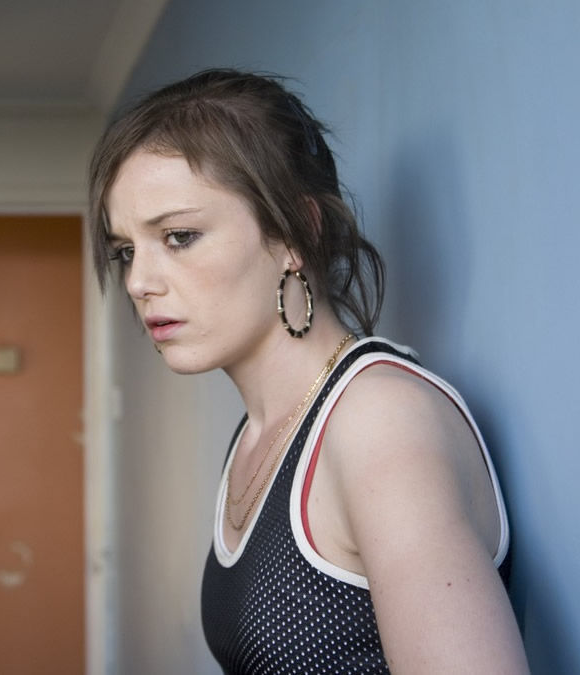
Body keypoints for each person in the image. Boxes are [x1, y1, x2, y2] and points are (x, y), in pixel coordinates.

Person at [87, 69, 528, 674]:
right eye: (126, 250)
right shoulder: (258, 433)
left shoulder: (379, 420)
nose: (139, 281)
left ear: (295, 232)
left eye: (179, 236)